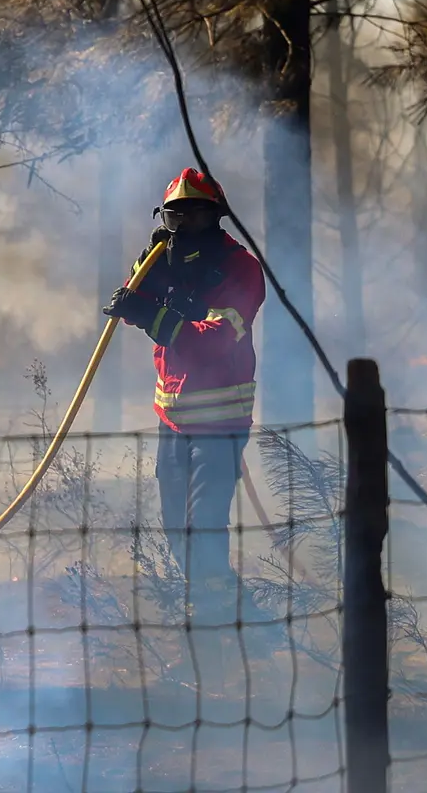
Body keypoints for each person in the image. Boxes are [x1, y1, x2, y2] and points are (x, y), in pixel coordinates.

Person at [102, 167, 266, 628]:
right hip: (172, 423)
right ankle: (248, 626)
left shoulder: (240, 269)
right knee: (179, 536)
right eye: (176, 219)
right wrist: (145, 275)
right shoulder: (167, 260)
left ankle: (221, 635)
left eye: (196, 217)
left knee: (202, 536)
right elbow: (140, 301)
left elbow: (212, 341)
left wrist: (150, 312)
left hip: (219, 428)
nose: (185, 228)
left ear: (217, 218)